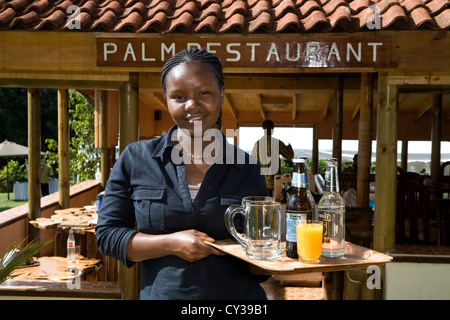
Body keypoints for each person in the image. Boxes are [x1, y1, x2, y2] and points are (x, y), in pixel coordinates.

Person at [96, 49, 269, 300]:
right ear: (166, 100)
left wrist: (275, 250)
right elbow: (108, 235)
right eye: (179, 96)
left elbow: (260, 262)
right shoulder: (136, 159)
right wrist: (171, 243)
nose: (192, 105)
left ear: (221, 94)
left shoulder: (246, 166)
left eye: (203, 93)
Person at [251, 120, 294, 195]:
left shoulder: (257, 144)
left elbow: (253, 162)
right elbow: (289, 156)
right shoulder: (277, 143)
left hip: (262, 182)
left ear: (263, 129)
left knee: (264, 204)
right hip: (276, 182)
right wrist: (289, 147)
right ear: (273, 129)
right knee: (275, 203)